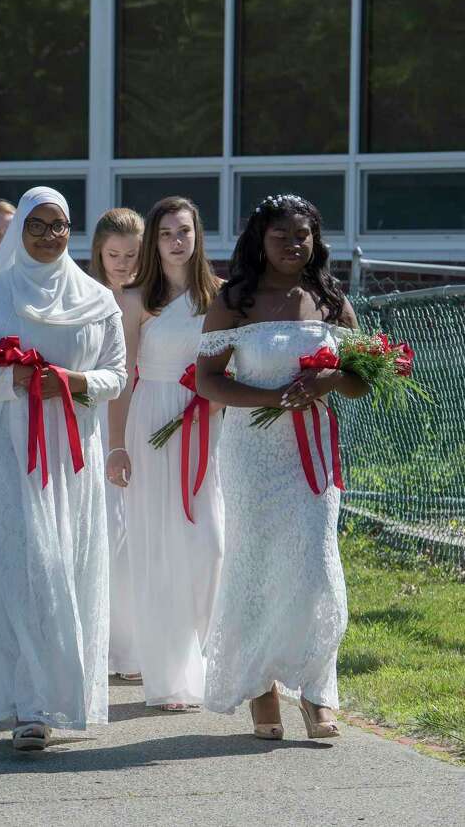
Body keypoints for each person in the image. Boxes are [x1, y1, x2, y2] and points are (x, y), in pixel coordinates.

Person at [0, 187, 127, 750]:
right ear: (21, 229)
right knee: (20, 567)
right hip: (3, 449)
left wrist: (75, 383)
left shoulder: (98, 299)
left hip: (71, 453)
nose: (50, 236)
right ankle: (26, 704)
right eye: (38, 225)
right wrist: (17, 381)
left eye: (60, 225)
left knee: (64, 569)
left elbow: (117, 375)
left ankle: (60, 697)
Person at [197, 194, 366, 740]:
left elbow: (363, 379)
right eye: (281, 236)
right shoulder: (234, 301)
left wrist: (331, 380)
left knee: (316, 567)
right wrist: (272, 399)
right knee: (255, 567)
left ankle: (317, 689)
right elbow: (207, 381)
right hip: (250, 453)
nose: (294, 245)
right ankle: (260, 686)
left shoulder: (330, 299)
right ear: (259, 241)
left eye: (303, 235)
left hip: (311, 455)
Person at [107, 197, 224, 711]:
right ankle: (171, 676)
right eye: (167, 233)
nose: (178, 241)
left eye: (185, 231)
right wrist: (115, 446)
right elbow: (122, 380)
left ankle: (213, 657)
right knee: (159, 550)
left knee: (211, 545)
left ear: (198, 236)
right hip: (152, 420)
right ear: (153, 242)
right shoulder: (135, 300)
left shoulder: (220, 296)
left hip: (209, 422)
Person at [88, 207, 144, 683]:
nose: (123, 263)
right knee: (107, 532)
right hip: (103, 417)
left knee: (135, 534)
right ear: (99, 254)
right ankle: (105, 643)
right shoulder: (92, 298)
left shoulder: (151, 298)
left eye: (131, 254)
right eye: (114, 255)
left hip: (149, 417)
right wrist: (113, 439)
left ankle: (135, 644)